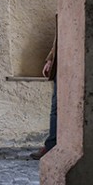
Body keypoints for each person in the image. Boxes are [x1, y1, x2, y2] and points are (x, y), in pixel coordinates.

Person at [30, 16, 57, 160]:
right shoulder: (63, 10)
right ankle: (52, 146)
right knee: (56, 109)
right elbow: (58, 38)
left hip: (72, 64)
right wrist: (50, 58)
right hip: (60, 65)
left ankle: (57, 146)